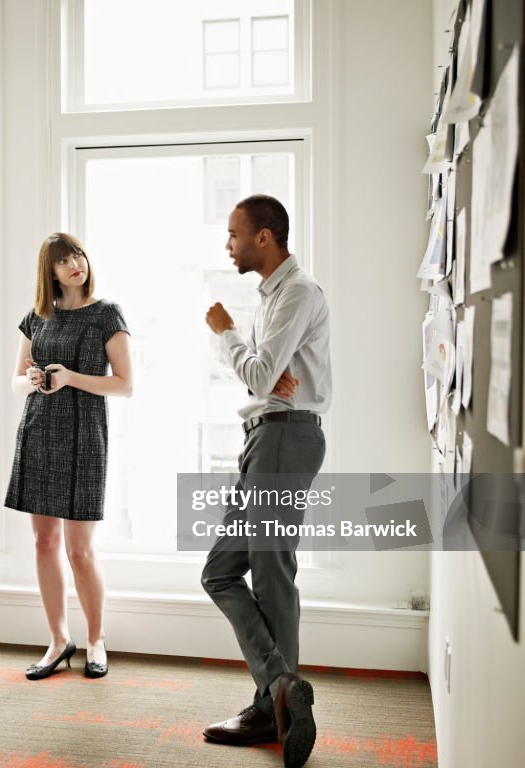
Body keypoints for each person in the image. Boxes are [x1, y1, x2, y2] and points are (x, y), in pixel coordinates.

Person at [200, 195, 330, 768]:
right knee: (221, 570)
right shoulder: (276, 296)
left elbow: (258, 374)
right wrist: (260, 370)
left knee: (273, 571)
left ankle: (272, 706)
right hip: (266, 437)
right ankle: (279, 689)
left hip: (284, 435)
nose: (227, 245)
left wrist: (226, 333)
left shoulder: (297, 292)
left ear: (265, 238)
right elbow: (264, 376)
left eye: (234, 235)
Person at [5, 233, 133, 680]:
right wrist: (36, 378)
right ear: (51, 272)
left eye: (77, 255)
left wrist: (72, 378)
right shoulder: (37, 317)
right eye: (63, 260)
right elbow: (17, 382)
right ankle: (59, 641)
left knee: (80, 551)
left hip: (85, 439)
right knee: (44, 543)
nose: (75, 264)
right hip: (39, 433)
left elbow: (125, 383)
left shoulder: (106, 314)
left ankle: (95, 639)